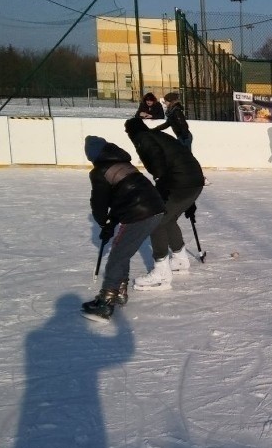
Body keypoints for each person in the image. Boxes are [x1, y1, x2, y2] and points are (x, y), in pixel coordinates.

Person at [82, 136, 165, 320]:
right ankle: (119, 291)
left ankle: (106, 301)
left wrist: (103, 222)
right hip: (155, 208)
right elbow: (123, 197)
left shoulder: (99, 171)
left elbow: (100, 203)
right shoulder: (123, 163)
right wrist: (110, 224)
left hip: (140, 212)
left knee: (118, 255)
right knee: (122, 251)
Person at [124, 117, 204, 291]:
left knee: (156, 220)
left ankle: (161, 274)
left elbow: (157, 163)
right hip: (193, 180)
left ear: (131, 132)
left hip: (180, 182)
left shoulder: (143, 138)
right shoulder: (157, 135)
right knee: (169, 218)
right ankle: (180, 259)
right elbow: (181, 156)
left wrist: (161, 184)